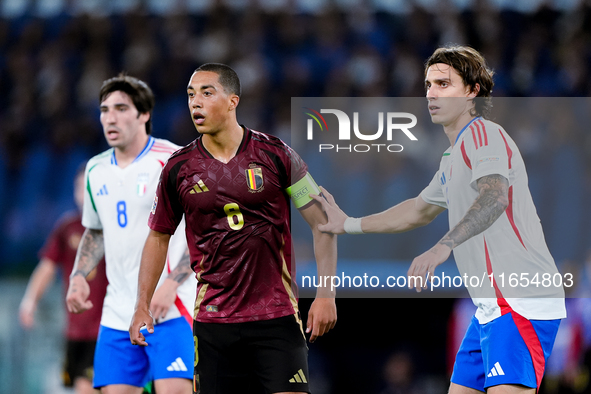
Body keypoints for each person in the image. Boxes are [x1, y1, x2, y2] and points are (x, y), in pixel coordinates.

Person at [311, 45, 566, 394]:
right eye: (429, 84)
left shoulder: (483, 135)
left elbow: (494, 196)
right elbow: (418, 209)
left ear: (472, 91)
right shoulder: (452, 156)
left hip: (520, 298)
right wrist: (349, 223)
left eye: (444, 84)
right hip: (490, 307)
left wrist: (442, 246)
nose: (431, 93)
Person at [129, 63, 337, 394]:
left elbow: (323, 222)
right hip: (213, 322)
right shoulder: (178, 170)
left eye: (206, 93)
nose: (195, 102)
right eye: (190, 95)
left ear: (232, 101)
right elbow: (158, 236)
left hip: (276, 316)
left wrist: (326, 293)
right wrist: (142, 302)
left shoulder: (276, 155)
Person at [66, 74, 196, 394]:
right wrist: (79, 274)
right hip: (118, 311)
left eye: (121, 108)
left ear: (144, 114)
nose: (110, 117)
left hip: (171, 306)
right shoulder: (95, 171)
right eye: (104, 109)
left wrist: (172, 283)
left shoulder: (173, 160)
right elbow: (96, 230)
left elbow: (204, 230)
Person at [19, 165, 107, 394]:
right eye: (80, 188)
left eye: (91, 188)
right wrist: (29, 301)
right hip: (76, 330)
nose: (85, 194)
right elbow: (46, 267)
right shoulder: (67, 227)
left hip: (110, 327)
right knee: (82, 387)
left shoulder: (117, 226)